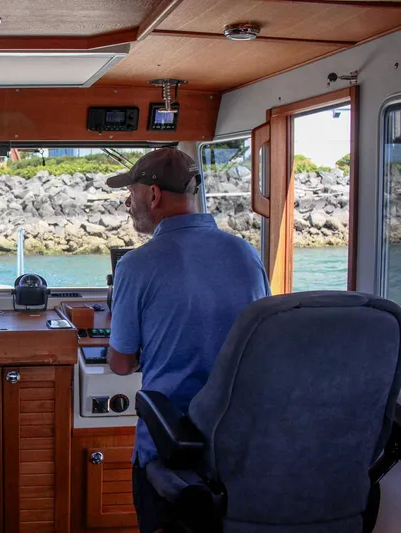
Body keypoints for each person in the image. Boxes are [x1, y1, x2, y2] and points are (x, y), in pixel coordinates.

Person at [105, 148, 270, 533]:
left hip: (173, 448)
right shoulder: (245, 252)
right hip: (240, 446)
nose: (128, 203)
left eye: (131, 193)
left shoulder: (136, 264)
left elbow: (120, 363)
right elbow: (260, 336)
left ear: (154, 195)